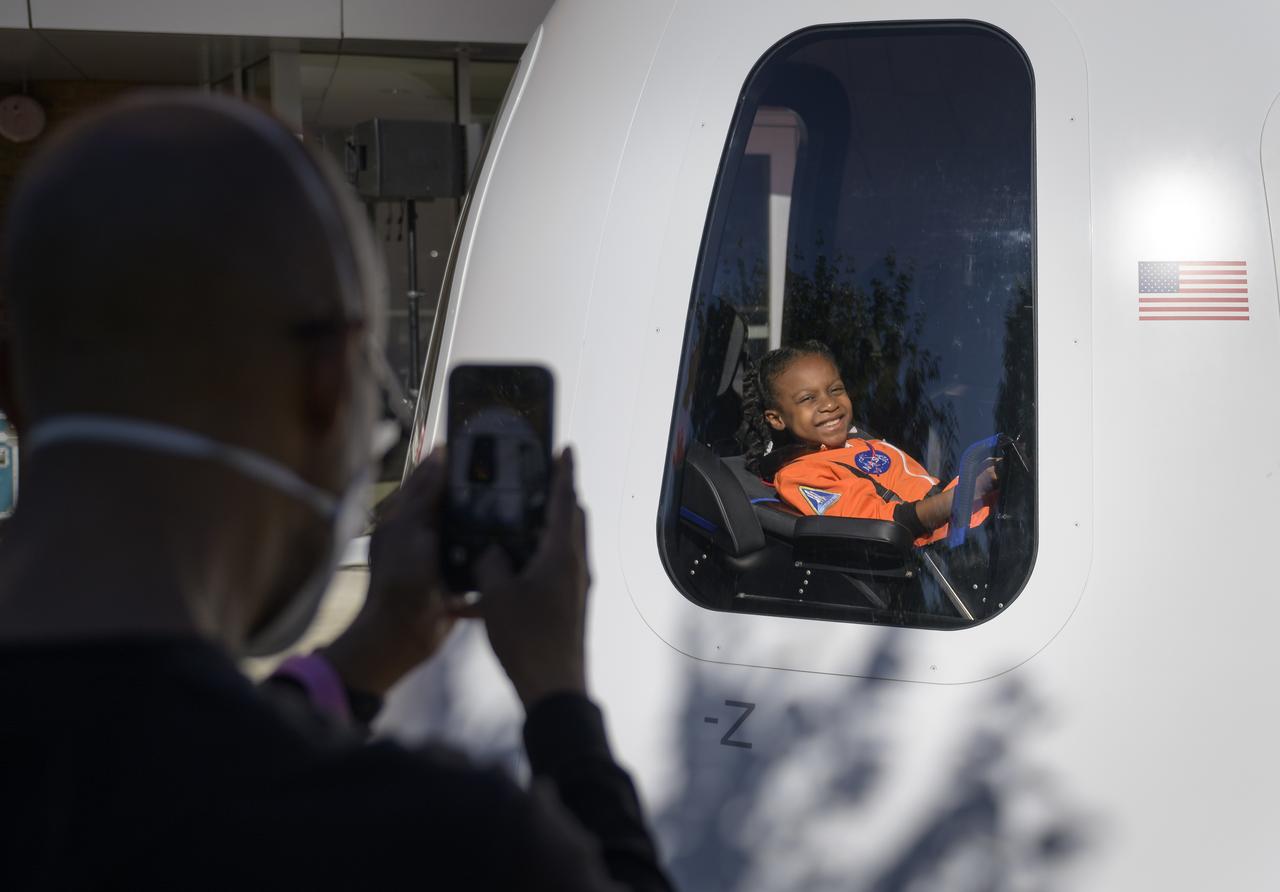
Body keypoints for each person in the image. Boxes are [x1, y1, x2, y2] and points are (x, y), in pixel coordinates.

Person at [0, 93, 672, 891]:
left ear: (11, 385)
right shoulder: (445, 843)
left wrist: (363, 658)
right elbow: (202, 766)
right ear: (329, 385)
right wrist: (559, 701)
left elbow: (127, 751)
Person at [737, 340, 994, 546]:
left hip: (975, 524)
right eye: (808, 399)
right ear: (776, 419)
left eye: (835, 390)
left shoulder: (856, 440)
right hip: (943, 553)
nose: (829, 404)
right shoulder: (800, 474)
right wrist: (965, 493)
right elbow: (876, 526)